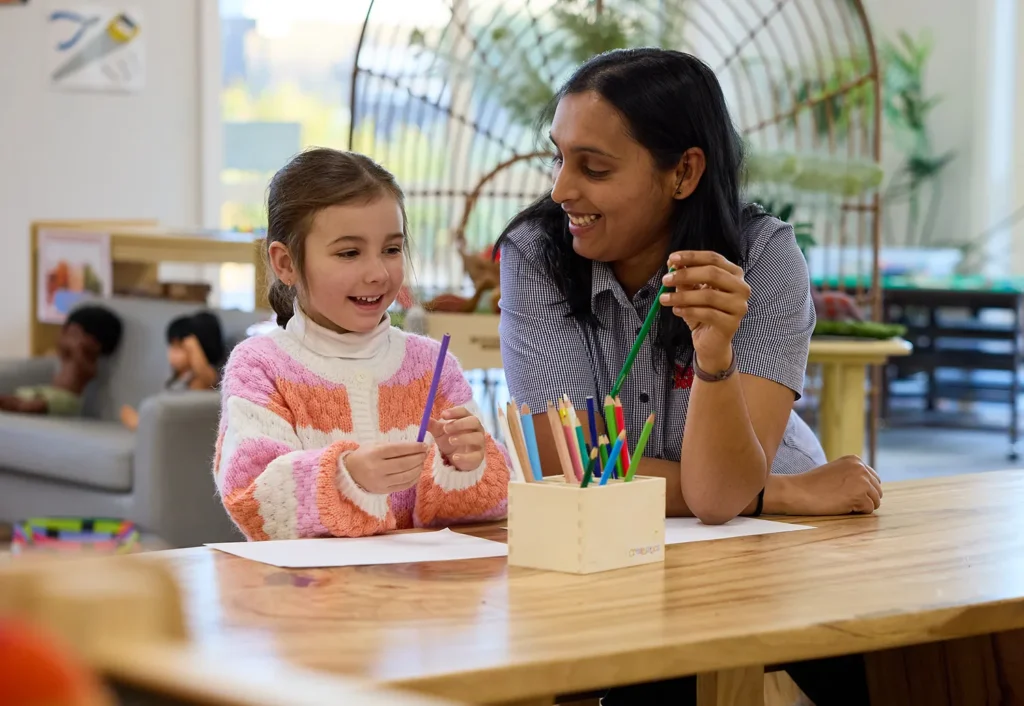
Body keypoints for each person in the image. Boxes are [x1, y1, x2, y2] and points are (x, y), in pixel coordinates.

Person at [495, 48, 873, 704]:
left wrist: (716, 358)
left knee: (873, 663)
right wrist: (782, 492)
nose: (560, 190)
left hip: (764, 552)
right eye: (557, 157)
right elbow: (565, 462)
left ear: (684, 171)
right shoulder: (537, 254)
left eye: (594, 167)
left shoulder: (763, 259)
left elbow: (718, 498)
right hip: (768, 507)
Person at [214, 148, 509, 541]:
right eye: (349, 253)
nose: (377, 273)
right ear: (285, 264)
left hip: (424, 596)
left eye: (391, 249)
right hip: (307, 597)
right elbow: (253, 501)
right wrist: (347, 475)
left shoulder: (432, 365)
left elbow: (492, 504)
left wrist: (466, 465)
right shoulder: (261, 366)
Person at [0, 305, 122, 417]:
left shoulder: (88, 363)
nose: (64, 336)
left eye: (73, 333)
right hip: (47, 391)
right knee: (17, 398)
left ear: (95, 343)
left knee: (28, 406)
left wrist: (78, 349)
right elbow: (59, 345)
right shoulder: (65, 356)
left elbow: (89, 372)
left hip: (67, 398)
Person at [121, 311, 226, 430]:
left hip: (180, 427)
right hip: (166, 420)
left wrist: (192, 346)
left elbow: (208, 379)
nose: (171, 353)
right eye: (171, 346)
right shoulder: (177, 376)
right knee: (128, 412)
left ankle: (144, 426)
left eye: (180, 347)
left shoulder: (199, 380)